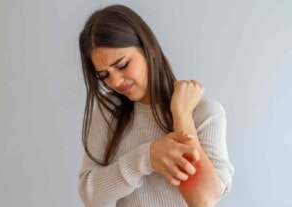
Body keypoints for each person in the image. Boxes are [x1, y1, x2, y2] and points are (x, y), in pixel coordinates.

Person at [78, 4, 234, 207]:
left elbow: (203, 200)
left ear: (149, 48)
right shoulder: (108, 114)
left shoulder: (204, 113)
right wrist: (146, 158)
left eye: (122, 65)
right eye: (104, 75)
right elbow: (90, 196)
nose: (115, 82)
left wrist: (182, 114)